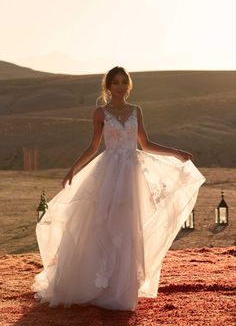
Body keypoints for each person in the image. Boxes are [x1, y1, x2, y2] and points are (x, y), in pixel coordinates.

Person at [32, 66, 205, 311]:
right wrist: (74, 168)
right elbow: (94, 147)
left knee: (127, 227)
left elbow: (144, 144)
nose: (121, 86)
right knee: (102, 225)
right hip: (109, 172)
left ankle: (122, 290)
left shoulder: (137, 111)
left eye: (124, 82)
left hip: (132, 175)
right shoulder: (100, 113)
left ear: (129, 86)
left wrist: (176, 153)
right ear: (108, 86)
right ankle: (95, 284)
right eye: (116, 82)